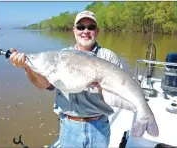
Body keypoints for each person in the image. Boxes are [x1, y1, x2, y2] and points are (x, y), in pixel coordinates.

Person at [10, 10, 123, 148]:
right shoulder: (61, 56)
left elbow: (120, 94)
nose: (85, 31)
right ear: (74, 30)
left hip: (99, 127)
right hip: (69, 128)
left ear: (97, 31)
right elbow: (45, 84)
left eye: (91, 27)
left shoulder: (108, 57)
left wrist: (101, 87)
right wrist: (27, 66)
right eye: (81, 27)